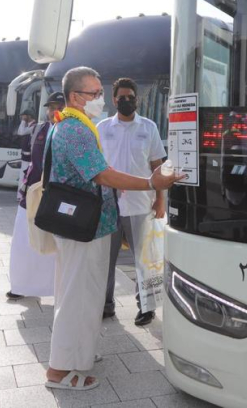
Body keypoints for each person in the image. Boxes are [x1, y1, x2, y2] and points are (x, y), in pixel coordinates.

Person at [44, 67, 182, 392]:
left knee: (88, 295)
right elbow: (102, 174)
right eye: (95, 94)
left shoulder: (79, 124)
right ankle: (60, 371)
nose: (101, 100)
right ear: (76, 96)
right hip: (82, 228)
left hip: (93, 226)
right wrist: (150, 182)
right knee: (77, 298)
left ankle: (81, 353)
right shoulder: (75, 130)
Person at [99, 78, 166, 325]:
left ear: (136, 99)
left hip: (141, 204)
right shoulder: (102, 128)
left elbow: (157, 167)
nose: (126, 101)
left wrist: (160, 201)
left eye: (130, 97)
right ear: (114, 100)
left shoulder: (148, 127)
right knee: (106, 259)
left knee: (144, 258)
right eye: (121, 97)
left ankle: (146, 307)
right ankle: (105, 305)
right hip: (109, 206)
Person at [6, 92, 65, 301]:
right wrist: (24, 184)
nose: (53, 111)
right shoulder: (39, 128)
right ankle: (21, 285)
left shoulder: (69, 131)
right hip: (32, 194)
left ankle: (55, 288)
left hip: (56, 196)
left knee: (55, 246)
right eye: (50, 107)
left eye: (58, 107)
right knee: (23, 239)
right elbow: (31, 161)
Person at [17, 109, 37, 173]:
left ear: (29, 116)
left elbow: (21, 132)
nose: (22, 117)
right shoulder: (28, 126)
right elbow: (19, 132)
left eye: (24, 116)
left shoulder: (34, 126)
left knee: (24, 176)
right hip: (25, 157)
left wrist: (23, 121)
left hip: (28, 158)